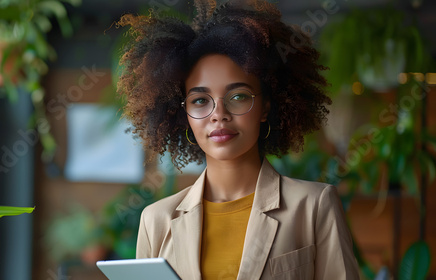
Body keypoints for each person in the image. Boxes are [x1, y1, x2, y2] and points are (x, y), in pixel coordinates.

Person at [116, 0, 360, 279]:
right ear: (184, 115)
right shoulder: (157, 220)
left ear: (265, 107)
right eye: (199, 100)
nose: (218, 115)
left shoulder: (314, 206)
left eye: (238, 96)